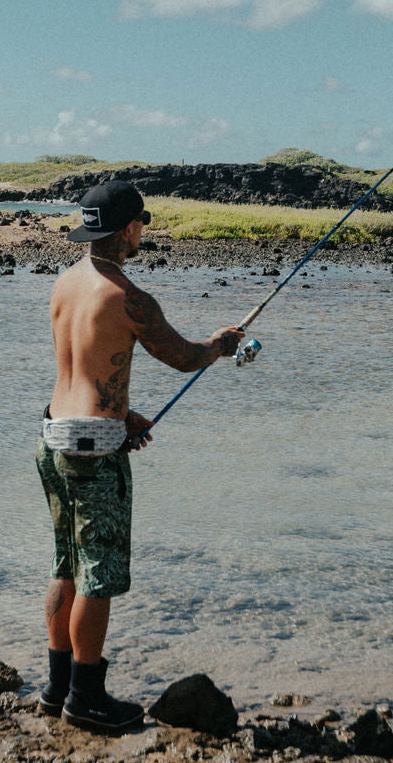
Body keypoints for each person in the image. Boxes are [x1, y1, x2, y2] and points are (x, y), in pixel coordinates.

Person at [35, 179, 244, 734]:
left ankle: (56, 688)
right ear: (128, 230)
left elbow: (80, 367)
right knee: (98, 575)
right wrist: (222, 345)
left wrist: (120, 412)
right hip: (93, 455)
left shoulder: (64, 284)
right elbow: (183, 357)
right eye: (141, 225)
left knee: (65, 564)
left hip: (52, 437)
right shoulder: (131, 298)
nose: (142, 233)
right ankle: (86, 696)